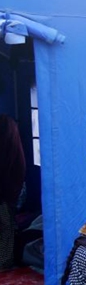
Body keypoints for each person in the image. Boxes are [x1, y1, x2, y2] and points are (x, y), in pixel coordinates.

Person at [0, 115, 26, 270]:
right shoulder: (9, 129)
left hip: (5, 195)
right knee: (6, 228)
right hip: (7, 195)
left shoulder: (6, 125)